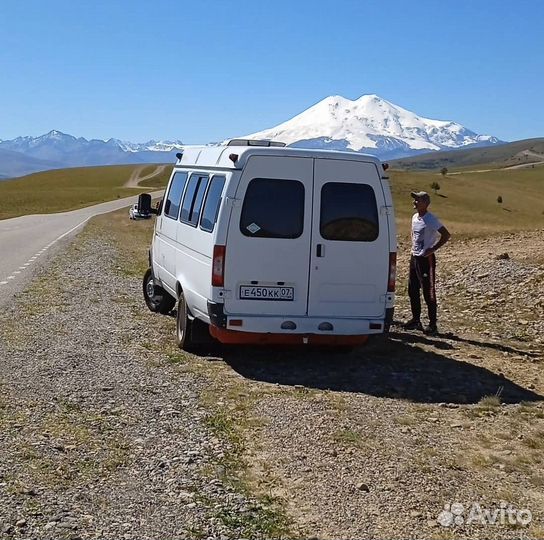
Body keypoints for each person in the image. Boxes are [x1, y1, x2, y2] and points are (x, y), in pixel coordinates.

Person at [403, 191, 450, 335]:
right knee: (412, 289)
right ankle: (416, 320)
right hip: (415, 257)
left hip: (426, 259)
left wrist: (433, 248)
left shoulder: (430, 219)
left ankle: (432, 324)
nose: (415, 202)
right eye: (415, 199)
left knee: (428, 291)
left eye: (418, 200)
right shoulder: (414, 217)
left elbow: (446, 234)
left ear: (425, 203)